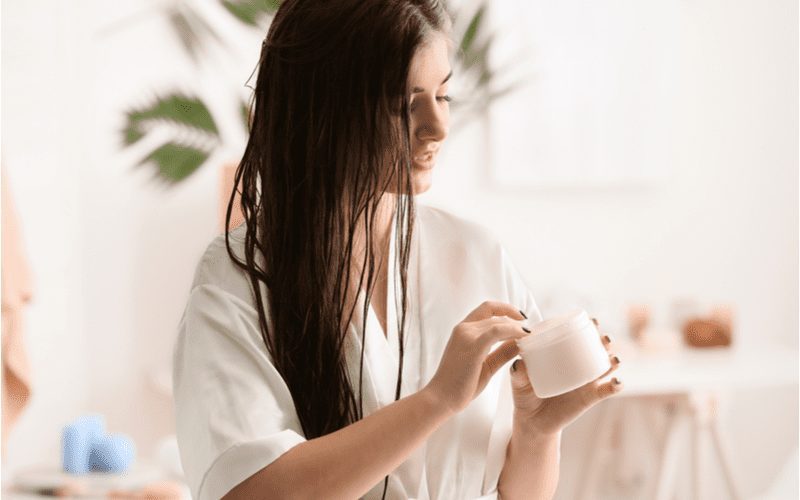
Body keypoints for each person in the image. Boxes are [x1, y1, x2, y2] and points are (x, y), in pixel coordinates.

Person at [172, 1, 623, 499]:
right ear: (322, 109)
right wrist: (436, 400)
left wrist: (538, 431)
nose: (437, 127)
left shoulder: (475, 253)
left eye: (444, 95)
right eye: (403, 104)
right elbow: (250, 492)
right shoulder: (239, 280)